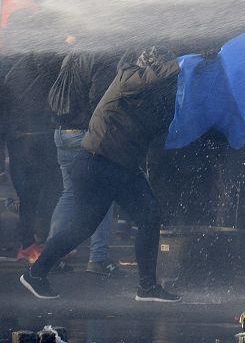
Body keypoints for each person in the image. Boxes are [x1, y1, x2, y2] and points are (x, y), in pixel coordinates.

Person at [20, 46, 182, 302]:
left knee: (147, 216)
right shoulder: (128, 77)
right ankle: (36, 273)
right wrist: (179, 64)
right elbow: (142, 80)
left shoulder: (150, 95)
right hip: (100, 162)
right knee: (85, 225)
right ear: (154, 68)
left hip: (120, 165)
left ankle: (147, 287)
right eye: (164, 69)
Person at [47, 36, 122, 277]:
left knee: (69, 193)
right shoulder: (102, 56)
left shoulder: (72, 56)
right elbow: (102, 100)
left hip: (61, 133)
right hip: (85, 135)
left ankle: (51, 256)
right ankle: (98, 258)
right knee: (102, 195)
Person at [5, 52, 63, 265]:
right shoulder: (41, 65)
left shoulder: (25, 67)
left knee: (37, 194)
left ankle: (35, 243)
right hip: (31, 141)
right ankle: (32, 244)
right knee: (38, 194)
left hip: (29, 140)